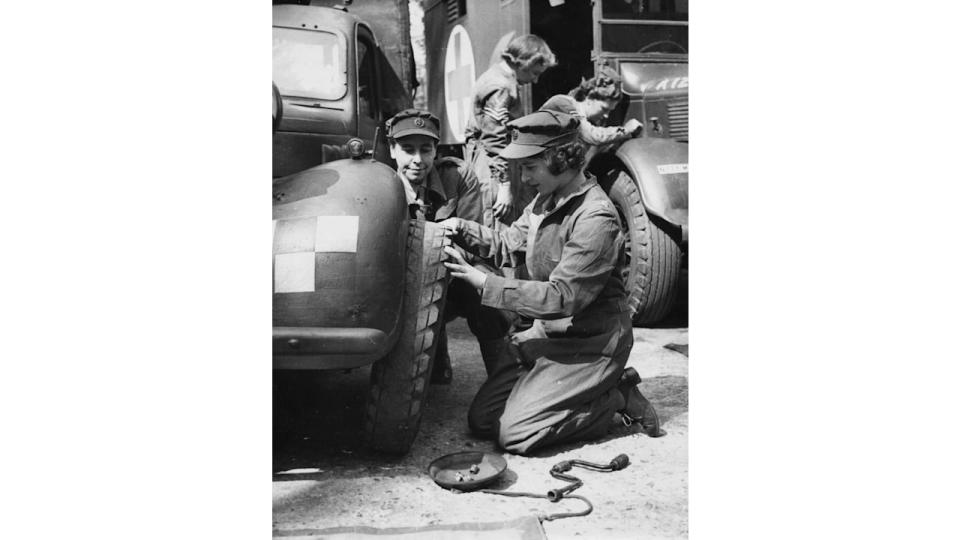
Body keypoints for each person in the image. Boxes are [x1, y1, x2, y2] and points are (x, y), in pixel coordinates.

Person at [440, 110, 663, 456]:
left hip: (593, 343)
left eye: (530, 168)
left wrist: (485, 283)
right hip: (553, 337)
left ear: (561, 159)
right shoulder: (546, 200)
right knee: (484, 420)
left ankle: (615, 396)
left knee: (515, 435)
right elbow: (508, 243)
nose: (524, 178)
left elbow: (564, 297)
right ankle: (559, 393)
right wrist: (461, 228)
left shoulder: (596, 217)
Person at [385, 109, 511, 384]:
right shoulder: (382, 184)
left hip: (450, 270)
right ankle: (434, 359)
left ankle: (503, 386)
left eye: (426, 149)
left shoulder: (457, 176)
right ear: (392, 150)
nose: (418, 160)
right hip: (401, 280)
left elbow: (472, 240)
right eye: (408, 149)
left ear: (435, 150)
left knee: (485, 289)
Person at [464, 34, 557, 230]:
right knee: (498, 228)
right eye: (534, 72)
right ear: (522, 63)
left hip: (496, 165)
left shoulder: (499, 77)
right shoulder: (501, 87)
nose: (536, 79)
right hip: (494, 169)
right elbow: (494, 139)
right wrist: (505, 186)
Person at [538, 66, 642, 162]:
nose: (606, 115)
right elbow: (591, 136)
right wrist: (626, 129)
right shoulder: (563, 103)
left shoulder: (589, 122)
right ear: (589, 98)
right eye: (604, 109)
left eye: (610, 111)